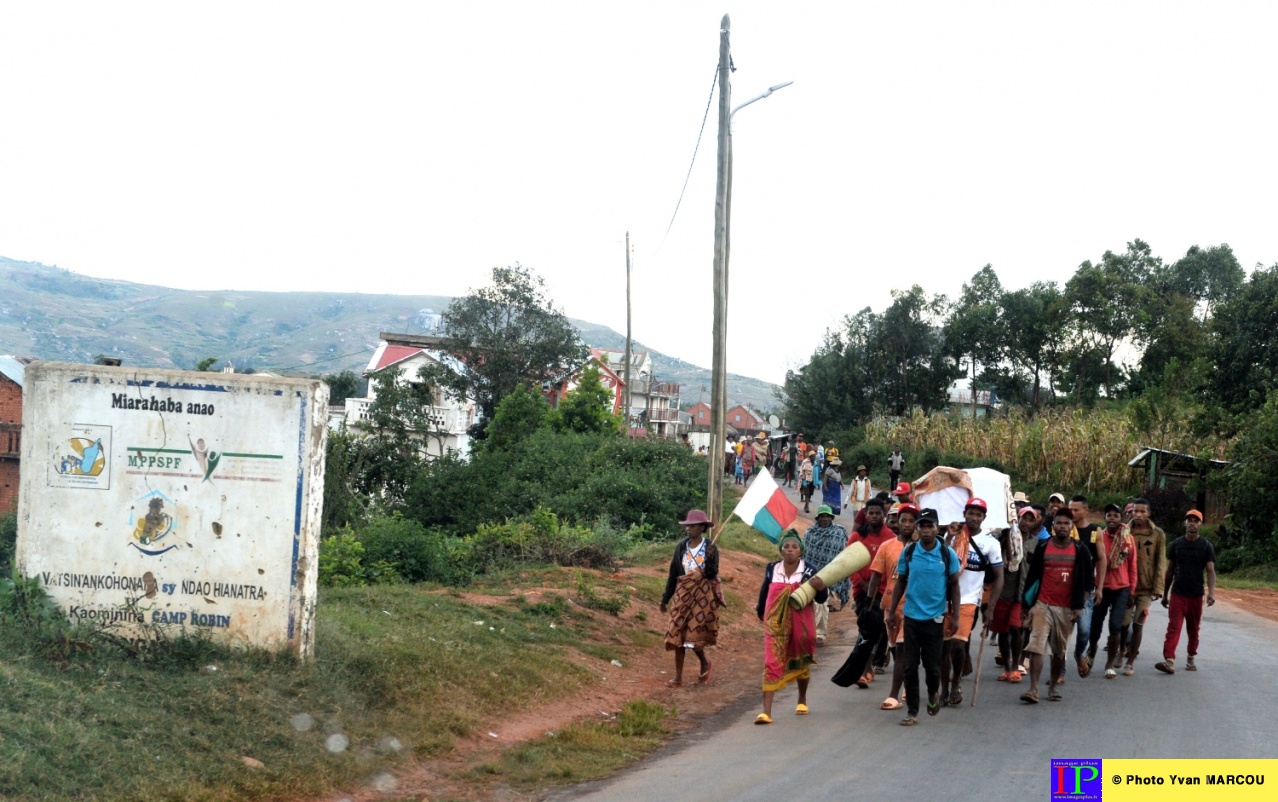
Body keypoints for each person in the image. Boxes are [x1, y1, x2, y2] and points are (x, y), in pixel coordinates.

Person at [886, 508, 960, 726]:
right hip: (911, 618)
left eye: (930, 526)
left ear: (937, 528)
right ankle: (912, 711)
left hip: (935, 619)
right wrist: (892, 612)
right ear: (917, 528)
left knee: (932, 666)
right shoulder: (909, 553)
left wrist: (954, 617)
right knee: (910, 666)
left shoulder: (947, 554)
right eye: (923, 526)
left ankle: (933, 694)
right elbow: (900, 581)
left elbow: (954, 585)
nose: (926, 530)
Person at [1021, 508, 1093, 703]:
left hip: (1066, 609)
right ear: (1053, 526)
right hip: (1043, 604)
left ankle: (1052, 686)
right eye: (1059, 523)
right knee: (1036, 645)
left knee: (1059, 651)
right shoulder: (1043, 546)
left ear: (1072, 527)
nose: (1062, 526)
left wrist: (1078, 606)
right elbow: (1033, 576)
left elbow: (1088, 583)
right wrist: (1027, 604)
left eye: (1066, 523)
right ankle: (1033, 689)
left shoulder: (1080, 549)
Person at [755, 531, 827, 723]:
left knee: (801, 658)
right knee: (771, 661)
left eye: (794, 547)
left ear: (800, 550)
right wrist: (761, 612)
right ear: (780, 549)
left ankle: (802, 699)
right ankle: (766, 712)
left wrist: (821, 587)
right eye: (786, 546)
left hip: (801, 624)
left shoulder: (809, 570)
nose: (789, 550)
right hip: (775, 623)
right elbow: (765, 592)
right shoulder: (772, 568)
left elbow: (821, 598)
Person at [940, 498, 1003, 706]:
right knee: (943, 646)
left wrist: (990, 608)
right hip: (943, 598)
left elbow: (999, 576)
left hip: (968, 600)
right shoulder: (953, 536)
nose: (974, 518)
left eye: (979, 514)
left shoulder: (991, 543)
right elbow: (940, 557)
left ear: (984, 518)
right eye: (971, 513)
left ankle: (956, 681)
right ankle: (944, 689)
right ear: (965, 514)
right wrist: (949, 535)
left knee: (958, 645)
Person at [837, 498, 895, 687]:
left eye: (878, 513)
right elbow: (847, 562)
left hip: (884, 590)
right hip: (861, 590)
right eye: (871, 513)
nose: (874, 516)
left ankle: (867, 667)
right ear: (866, 515)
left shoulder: (890, 537)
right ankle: (865, 668)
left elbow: (892, 565)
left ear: (883, 515)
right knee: (867, 627)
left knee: (875, 628)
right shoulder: (856, 537)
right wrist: (860, 582)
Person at [660, 510, 721, 687]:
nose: (689, 529)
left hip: (702, 596)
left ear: (702, 528)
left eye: (693, 526)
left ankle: (704, 662)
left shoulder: (710, 547)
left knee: (694, 637)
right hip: (682, 594)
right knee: (677, 633)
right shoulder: (681, 547)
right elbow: (674, 574)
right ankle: (678, 677)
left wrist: (709, 559)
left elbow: (711, 574)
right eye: (688, 526)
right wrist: (665, 599)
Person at [867, 503, 916, 709]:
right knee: (896, 650)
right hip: (890, 606)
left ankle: (894, 695)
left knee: (904, 649)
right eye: (902, 520)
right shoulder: (887, 547)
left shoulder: (922, 547)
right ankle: (907, 683)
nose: (906, 524)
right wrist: (867, 606)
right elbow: (876, 576)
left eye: (911, 521)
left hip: (913, 608)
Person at [1156, 510, 1216, 674]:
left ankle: (1191, 657)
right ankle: (1169, 660)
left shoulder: (1205, 546)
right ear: (1185, 523)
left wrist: (1211, 593)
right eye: (1189, 520)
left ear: (1200, 525)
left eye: (1196, 521)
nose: (1192, 523)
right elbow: (1170, 570)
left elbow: (1210, 570)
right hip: (1178, 593)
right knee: (1174, 627)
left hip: (1196, 595)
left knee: (1193, 628)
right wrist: (1165, 594)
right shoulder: (1176, 544)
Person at [1087, 503, 1137, 679]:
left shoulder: (1128, 539)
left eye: (1116, 515)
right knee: (1095, 626)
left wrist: (1132, 591)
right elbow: (1092, 561)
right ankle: (1091, 651)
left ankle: (1109, 664)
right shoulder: (1098, 537)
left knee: (1116, 627)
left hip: (1122, 589)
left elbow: (1132, 566)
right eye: (1109, 515)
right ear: (1105, 518)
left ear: (1121, 518)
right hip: (1102, 587)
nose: (1112, 519)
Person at [1119, 498, 1168, 675]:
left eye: (1142, 511)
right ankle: (1121, 649)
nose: (1138, 515)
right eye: (1135, 511)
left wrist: (1158, 587)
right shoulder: (1124, 531)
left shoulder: (1157, 534)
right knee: (1123, 624)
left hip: (1146, 588)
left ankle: (1130, 663)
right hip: (1125, 585)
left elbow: (1160, 561)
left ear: (1148, 513)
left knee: (1138, 624)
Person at [992, 508, 1034, 683]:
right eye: (1024, 518)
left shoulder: (1035, 543)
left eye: (1031, 520)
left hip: (1022, 594)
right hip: (1003, 591)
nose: (1026, 523)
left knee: (1016, 628)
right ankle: (1007, 669)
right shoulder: (1005, 537)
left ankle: (1016, 666)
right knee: (1002, 630)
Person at [802, 506, 849, 646]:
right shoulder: (810, 533)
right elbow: (805, 554)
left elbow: (843, 556)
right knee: (809, 605)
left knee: (822, 604)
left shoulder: (839, 533)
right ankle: (808, 632)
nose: (825, 519)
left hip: (829, 576)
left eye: (827, 516)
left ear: (831, 518)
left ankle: (820, 634)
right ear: (817, 518)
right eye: (822, 516)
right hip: (812, 575)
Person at [1069, 494, 1103, 678]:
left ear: (1086, 510)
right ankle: (1060, 671)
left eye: (1076, 509)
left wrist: (1100, 587)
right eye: (1071, 509)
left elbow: (1102, 560)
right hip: (1066, 587)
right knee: (1063, 633)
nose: (1073, 513)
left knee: (1084, 630)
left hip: (1086, 589)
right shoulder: (1065, 528)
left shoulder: (1094, 531)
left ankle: (1078, 653)